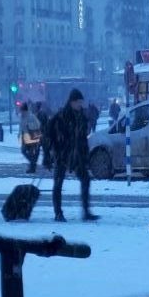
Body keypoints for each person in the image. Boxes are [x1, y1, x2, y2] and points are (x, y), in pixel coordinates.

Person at [49, 88, 97, 222]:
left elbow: (83, 138)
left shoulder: (81, 117)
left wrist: (85, 154)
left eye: (81, 102)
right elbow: (50, 135)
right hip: (62, 155)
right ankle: (58, 212)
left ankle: (86, 211)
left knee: (86, 180)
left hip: (77, 155)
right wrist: (51, 153)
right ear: (72, 102)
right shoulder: (61, 117)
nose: (80, 105)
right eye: (79, 102)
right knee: (58, 183)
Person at [18, 102, 42, 173]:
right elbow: (21, 127)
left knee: (31, 153)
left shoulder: (31, 116)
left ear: (25, 110)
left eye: (22, 111)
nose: (21, 112)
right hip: (25, 137)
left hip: (32, 137)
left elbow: (38, 125)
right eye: (21, 111)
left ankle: (32, 167)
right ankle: (33, 163)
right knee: (23, 151)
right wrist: (19, 134)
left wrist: (30, 126)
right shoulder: (21, 117)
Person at [35, 102, 54, 170]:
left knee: (45, 149)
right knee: (45, 149)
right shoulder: (42, 114)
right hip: (44, 134)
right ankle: (46, 162)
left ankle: (47, 163)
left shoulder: (40, 114)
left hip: (43, 134)